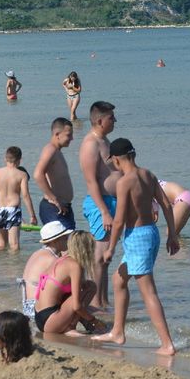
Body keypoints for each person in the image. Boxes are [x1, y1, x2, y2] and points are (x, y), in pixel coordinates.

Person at [91, 138, 180, 355]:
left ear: (117, 160)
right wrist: (173, 235)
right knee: (118, 280)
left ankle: (167, 344)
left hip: (138, 237)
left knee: (148, 291)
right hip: (149, 233)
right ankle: (118, 332)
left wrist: (111, 247)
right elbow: (167, 204)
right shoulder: (148, 174)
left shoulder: (124, 182)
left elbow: (119, 220)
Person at [32, 221, 106, 335]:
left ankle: (77, 324)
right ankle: (70, 327)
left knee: (88, 285)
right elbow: (76, 306)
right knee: (89, 288)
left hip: (39, 317)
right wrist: (94, 321)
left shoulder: (62, 259)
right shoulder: (74, 265)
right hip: (50, 321)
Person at [79, 101, 118, 307]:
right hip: (99, 204)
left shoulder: (105, 140)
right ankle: (95, 303)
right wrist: (104, 211)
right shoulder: (90, 144)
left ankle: (103, 300)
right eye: (112, 117)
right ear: (100, 120)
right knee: (100, 254)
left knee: (107, 256)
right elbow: (91, 180)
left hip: (111, 202)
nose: (115, 121)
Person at [0, 146, 37, 252]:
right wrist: (32, 215)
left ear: (5, 159)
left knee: (1, 242)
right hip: (13, 209)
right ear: (19, 160)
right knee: (14, 244)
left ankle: (1, 266)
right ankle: (14, 268)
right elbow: (25, 196)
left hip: (1, 209)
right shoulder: (22, 175)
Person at [34, 117, 76, 231]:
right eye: (68, 135)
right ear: (57, 134)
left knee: (71, 245)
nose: (72, 138)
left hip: (63, 207)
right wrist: (54, 199)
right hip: (53, 208)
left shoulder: (56, 151)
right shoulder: (50, 150)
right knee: (64, 246)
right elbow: (38, 174)